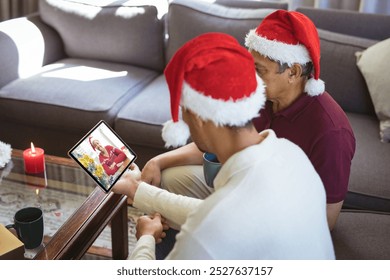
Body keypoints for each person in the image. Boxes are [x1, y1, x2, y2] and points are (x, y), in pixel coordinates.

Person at [112, 32, 335, 259]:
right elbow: (220, 215)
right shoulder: (291, 154)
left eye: (183, 110)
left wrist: (146, 238)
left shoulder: (207, 237)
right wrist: (136, 190)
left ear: (197, 116)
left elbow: (215, 223)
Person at [141, 10, 355, 234]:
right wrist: (158, 161)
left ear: (293, 72)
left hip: (274, 218)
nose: (250, 76)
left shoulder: (331, 132)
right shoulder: (261, 96)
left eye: (259, 70)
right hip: (239, 184)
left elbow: (326, 219)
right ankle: (164, 236)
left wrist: (246, 218)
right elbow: (216, 139)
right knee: (168, 178)